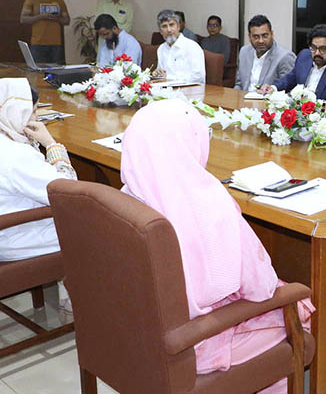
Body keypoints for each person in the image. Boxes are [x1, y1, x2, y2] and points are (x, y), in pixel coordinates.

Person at [119, 99, 313, 393]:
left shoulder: (127, 196)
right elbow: (260, 286)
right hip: (192, 346)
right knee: (297, 307)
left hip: (137, 331)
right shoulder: (206, 202)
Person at [0, 78, 74, 309]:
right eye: (33, 112)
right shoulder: (13, 155)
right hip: (8, 238)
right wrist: (51, 143)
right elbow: (68, 194)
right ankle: (78, 304)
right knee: (96, 226)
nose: (36, 119)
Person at [261, 24, 326, 103]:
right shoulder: (304, 56)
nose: (317, 53)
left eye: (323, 49)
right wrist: (273, 88)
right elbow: (292, 78)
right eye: (314, 48)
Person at [235, 15, 296, 91]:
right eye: (256, 37)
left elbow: (287, 89)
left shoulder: (285, 57)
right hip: (243, 99)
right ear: (249, 37)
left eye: (265, 36)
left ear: (272, 34)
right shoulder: (244, 52)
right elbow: (239, 84)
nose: (261, 41)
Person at [20, 0, 70, 64]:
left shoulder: (59, 0)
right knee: (38, 72)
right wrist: (41, 16)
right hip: (38, 43)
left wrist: (56, 18)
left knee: (57, 71)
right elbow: (23, 19)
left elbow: (67, 21)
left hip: (56, 44)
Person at [154, 9, 205, 84]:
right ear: (160, 31)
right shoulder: (161, 49)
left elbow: (198, 77)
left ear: (178, 27)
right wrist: (157, 74)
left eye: (172, 25)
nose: (169, 30)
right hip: (167, 92)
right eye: (164, 26)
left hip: (191, 92)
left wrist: (169, 79)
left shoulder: (192, 47)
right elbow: (162, 74)